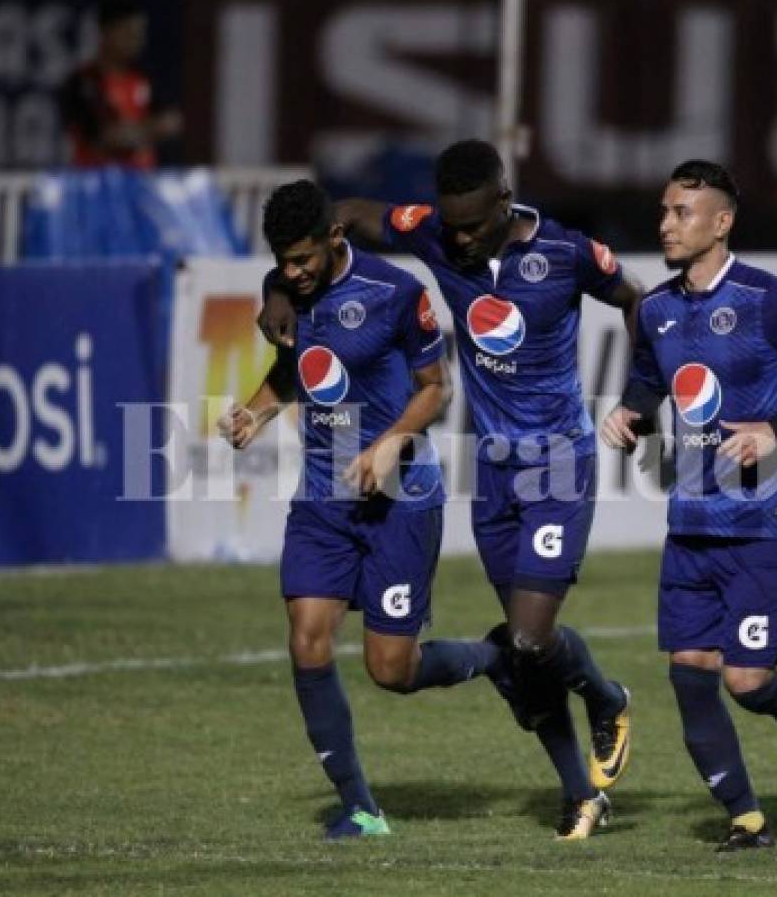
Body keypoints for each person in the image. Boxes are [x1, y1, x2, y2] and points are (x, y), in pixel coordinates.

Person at [258, 140, 640, 839]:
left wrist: (641, 398)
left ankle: (606, 696)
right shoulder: (428, 231)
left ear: (504, 202)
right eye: (450, 226)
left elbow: (633, 299)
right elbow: (335, 213)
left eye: (472, 225)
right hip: (492, 473)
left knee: (528, 637)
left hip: (557, 463)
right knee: (524, 654)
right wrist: (275, 288)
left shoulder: (566, 253)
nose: (458, 239)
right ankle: (580, 792)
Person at [219, 180, 502, 840]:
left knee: (390, 670)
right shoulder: (292, 295)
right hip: (323, 495)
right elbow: (296, 370)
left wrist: (388, 444)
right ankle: (360, 808)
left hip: (400, 498)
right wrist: (254, 413)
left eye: (301, 261)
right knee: (306, 637)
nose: (291, 274)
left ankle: (495, 660)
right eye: (281, 264)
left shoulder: (396, 295)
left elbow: (436, 390)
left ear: (334, 239)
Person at [600, 160, 777, 852]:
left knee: (747, 682)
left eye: (681, 212)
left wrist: (774, 428)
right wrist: (628, 414)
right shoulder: (655, 309)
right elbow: (646, 382)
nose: (665, 223)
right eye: (663, 211)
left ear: (721, 223)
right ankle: (746, 821)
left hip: (760, 523)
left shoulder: (769, 300)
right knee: (689, 676)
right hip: (688, 523)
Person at [58, 0, 183, 169]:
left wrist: (134, 133)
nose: (136, 41)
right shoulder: (83, 82)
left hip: (140, 183)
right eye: (128, 33)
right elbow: (105, 138)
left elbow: (171, 122)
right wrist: (149, 130)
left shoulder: (143, 79)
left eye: (140, 34)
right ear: (107, 32)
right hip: (95, 186)